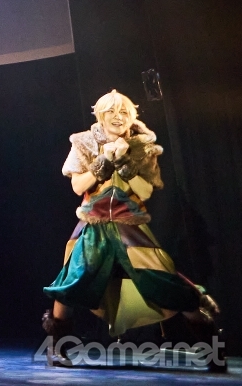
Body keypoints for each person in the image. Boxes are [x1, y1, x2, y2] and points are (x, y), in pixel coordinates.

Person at [41, 90, 221, 366]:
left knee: (166, 285)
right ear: (100, 116)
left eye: (124, 112)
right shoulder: (84, 143)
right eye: (111, 112)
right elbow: (78, 186)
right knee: (71, 284)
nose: (118, 117)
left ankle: (214, 351)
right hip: (94, 228)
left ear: (133, 117)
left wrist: (125, 163)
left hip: (130, 230)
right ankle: (56, 349)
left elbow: (145, 191)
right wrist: (103, 162)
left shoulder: (142, 147)